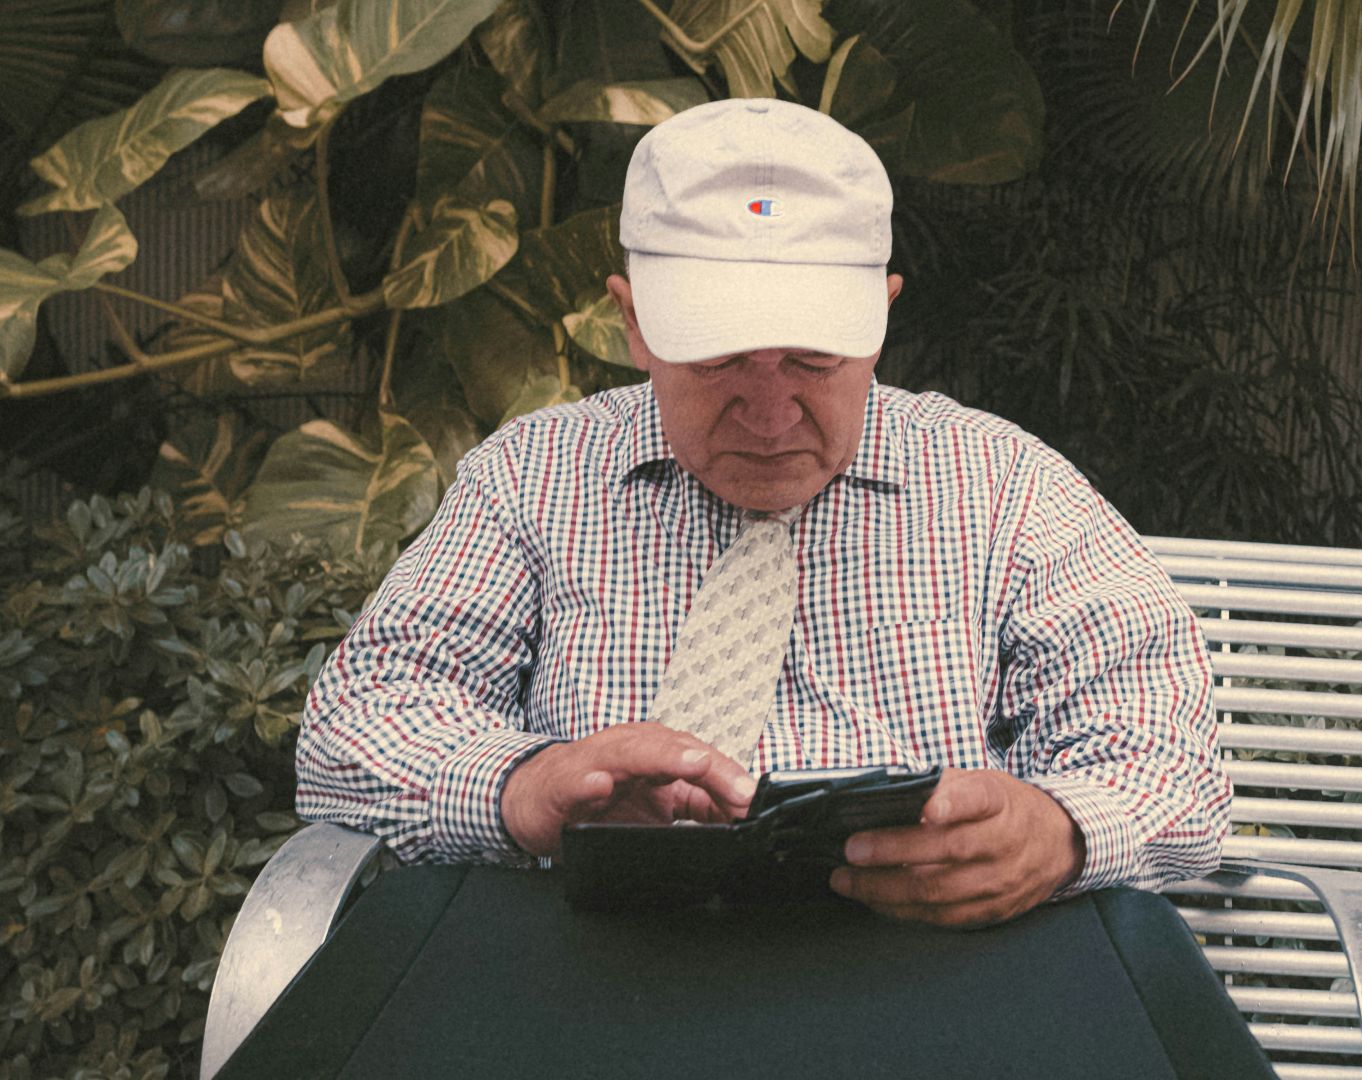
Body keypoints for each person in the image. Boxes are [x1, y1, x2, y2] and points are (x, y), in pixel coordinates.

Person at [297, 97, 1228, 928]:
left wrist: (1060, 831)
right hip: (594, 969)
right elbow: (356, 725)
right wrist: (520, 784)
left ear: (883, 317)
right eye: (717, 360)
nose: (771, 413)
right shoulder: (532, 478)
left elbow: (1170, 757)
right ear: (633, 323)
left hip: (919, 973)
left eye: (815, 362)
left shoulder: (1007, 488)